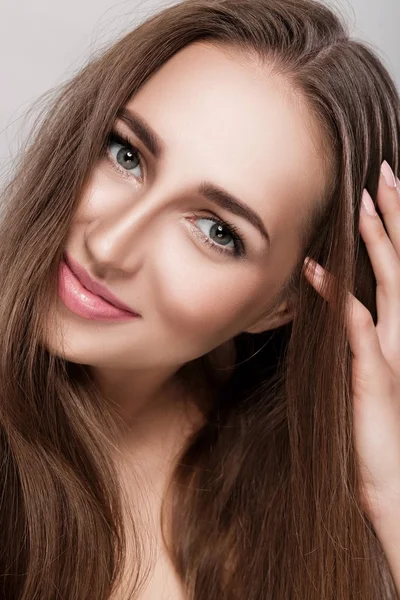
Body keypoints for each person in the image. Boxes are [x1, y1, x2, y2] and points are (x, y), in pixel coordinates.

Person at [0, 0, 399, 597]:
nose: (109, 244)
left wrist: (391, 494)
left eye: (217, 231)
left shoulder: (306, 529)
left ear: (283, 305)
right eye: (126, 154)